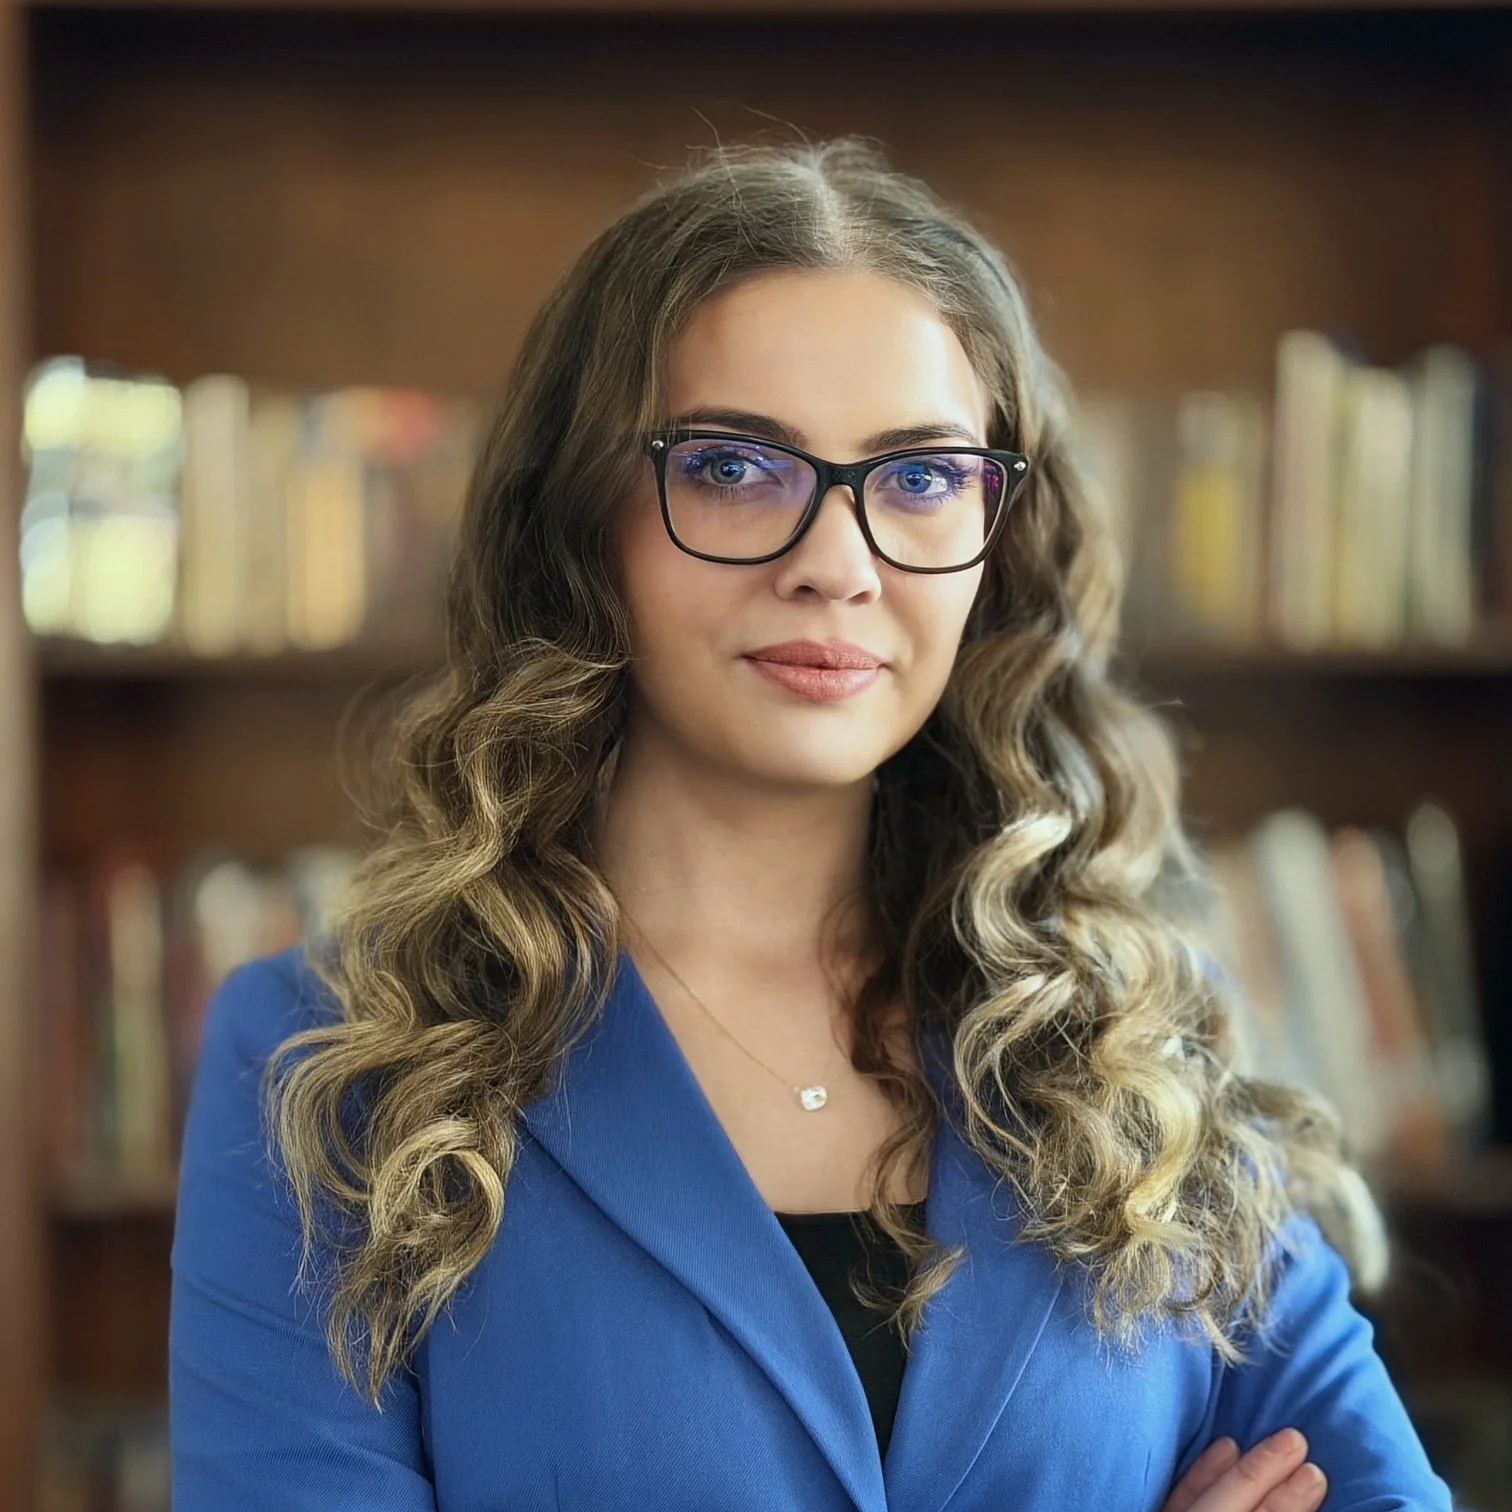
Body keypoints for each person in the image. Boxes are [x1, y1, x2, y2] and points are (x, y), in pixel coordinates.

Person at [168, 136, 1452, 1511]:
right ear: (581, 516)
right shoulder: (328, 1069)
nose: (835, 566)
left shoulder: (1140, 1029)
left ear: (997, 533)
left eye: (920, 478)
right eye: (732, 468)